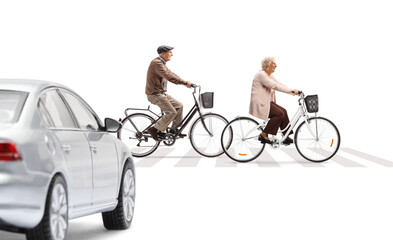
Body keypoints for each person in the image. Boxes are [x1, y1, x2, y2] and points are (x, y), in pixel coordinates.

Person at [145, 45, 193, 141]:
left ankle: (173, 130)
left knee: (179, 106)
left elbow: (172, 74)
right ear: (163, 53)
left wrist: (185, 82)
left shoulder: (162, 64)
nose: (172, 54)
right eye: (170, 52)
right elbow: (169, 77)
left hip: (161, 94)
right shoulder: (157, 63)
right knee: (171, 112)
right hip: (154, 95)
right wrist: (184, 83)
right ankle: (153, 129)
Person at [249, 56, 299, 145]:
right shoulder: (261, 75)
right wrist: (290, 91)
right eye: (274, 64)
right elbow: (274, 86)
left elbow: (278, 84)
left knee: (284, 111)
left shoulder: (270, 75)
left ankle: (285, 136)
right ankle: (264, 134)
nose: (276, 65)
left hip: (266, 102)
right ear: (267, 65)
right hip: (260, 103)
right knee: (279, 114)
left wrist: (292, 91)